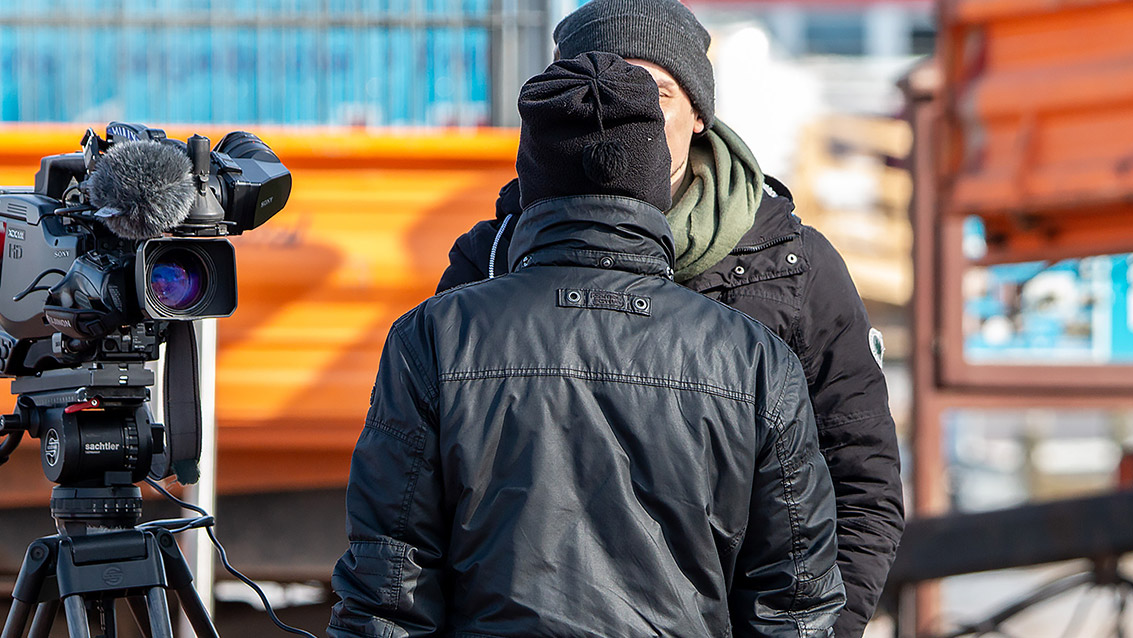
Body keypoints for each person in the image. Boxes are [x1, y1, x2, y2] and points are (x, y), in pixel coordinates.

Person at [330, 51, 844, 638]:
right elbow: (794, 605)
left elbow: (389, 592)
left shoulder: (436, 336)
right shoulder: (752, 358)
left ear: (531, 178)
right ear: (653, 179)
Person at [435, 2, 904, 634]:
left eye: (654, 91)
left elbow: (860, 483)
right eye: (604, 87)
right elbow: (423, 499)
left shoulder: (792, 268)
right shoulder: (491, 260)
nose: (626, 112)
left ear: (700, 112)